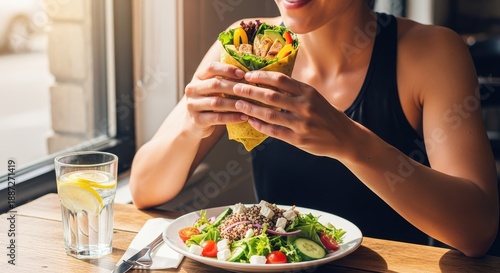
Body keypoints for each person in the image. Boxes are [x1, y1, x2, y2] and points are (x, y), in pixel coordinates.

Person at [129, 0, 499, 257]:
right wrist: (191, 127)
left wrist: (349, 141)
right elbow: (144, 189)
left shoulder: (433, 52)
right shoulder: (246, 41)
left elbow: (477, 230)